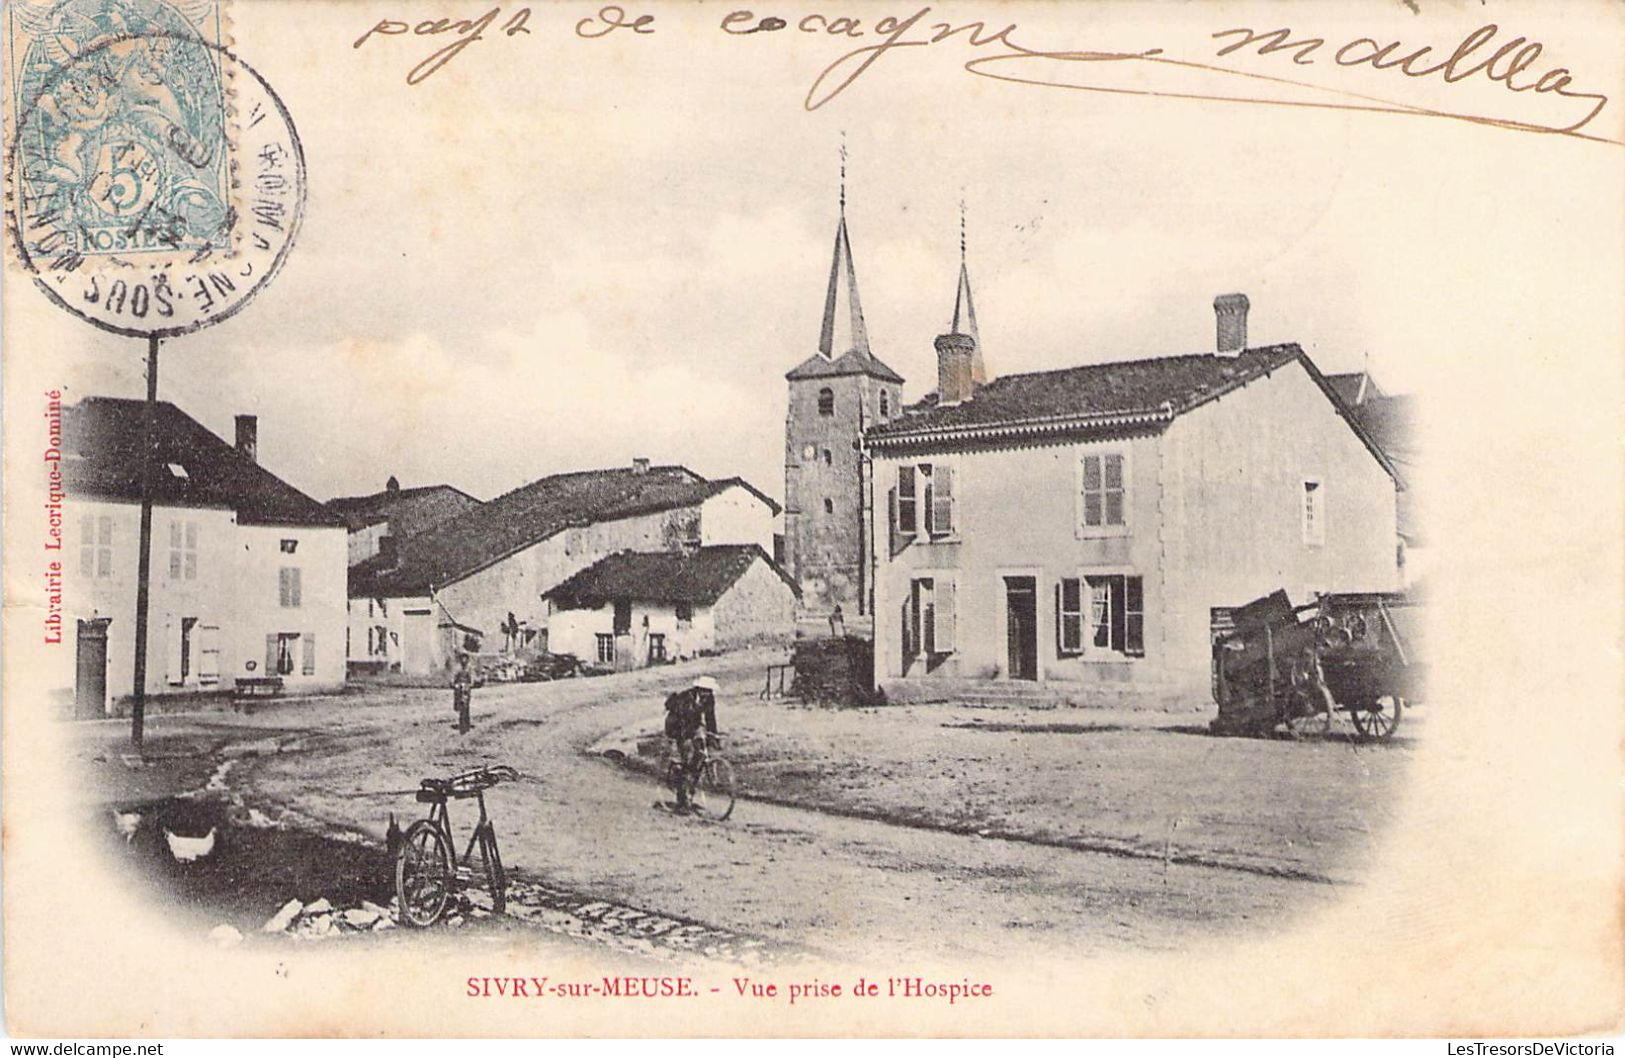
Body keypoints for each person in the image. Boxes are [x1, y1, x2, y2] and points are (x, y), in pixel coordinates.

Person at [663, 675, 719, 812]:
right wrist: (686, 739)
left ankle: (691, 789)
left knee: (700, 755)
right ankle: (681, 798)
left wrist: (713, 735)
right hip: (677, 725)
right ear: (699, 689)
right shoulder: (685, 698)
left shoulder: (709, 699)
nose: (708, 694)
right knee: (686, 755)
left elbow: (710, 717)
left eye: (710, 691)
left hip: (693, 724)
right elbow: (681, 720)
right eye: (705, 691)